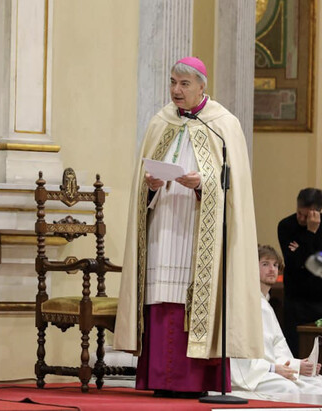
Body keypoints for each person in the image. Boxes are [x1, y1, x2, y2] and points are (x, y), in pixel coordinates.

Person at [114, 57, 263, 397]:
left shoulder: (223, 124)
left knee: (188, 297)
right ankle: (158, 379)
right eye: (172, 83)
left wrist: (201, 184)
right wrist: (150, 186)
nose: (176, 91)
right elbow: (142, 181)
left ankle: (192, 380)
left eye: (183, 84)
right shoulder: (160, 122)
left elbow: (234, 186)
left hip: (197, 233)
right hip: (163, 225)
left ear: (201, 86)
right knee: (161, 296)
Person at [231, 245, 322, 394]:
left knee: (318, 383)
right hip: (252, 374)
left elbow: (277, 346)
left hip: (267, 369)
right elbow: (249, 352)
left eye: (275, 265)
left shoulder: (265, 304)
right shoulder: (247, 303)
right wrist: (276, 368)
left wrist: (299, 364)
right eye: (265, 264)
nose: (272, 269)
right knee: (290, 389)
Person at [277, 188, 322, 356]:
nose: (301, 219)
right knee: (296, 351)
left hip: (319, 299)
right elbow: (294, 263)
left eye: (306, 215)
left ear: (317, 212)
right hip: (295, 301)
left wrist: (301, 249)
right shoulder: (286, 226)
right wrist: (310, 233)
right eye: (299, 213)